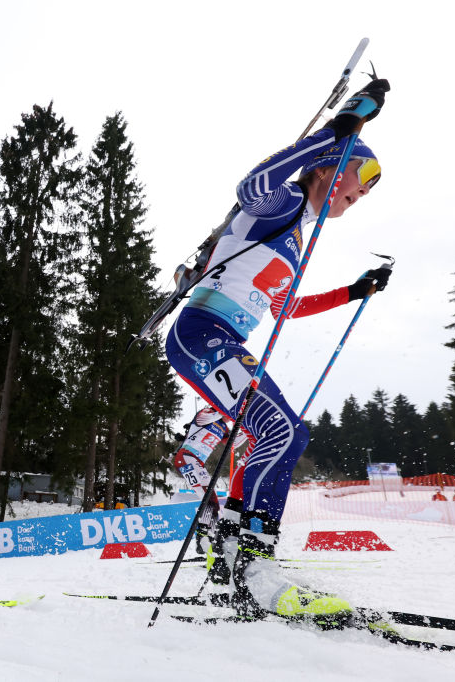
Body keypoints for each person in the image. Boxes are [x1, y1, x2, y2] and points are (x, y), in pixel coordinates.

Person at [164, 77, 391, 624]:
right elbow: (251, 183)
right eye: (351, 188)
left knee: (277, 434)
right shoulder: (283, 202)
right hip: (201, 332)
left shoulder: (299, 236)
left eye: (359, 199)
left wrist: (353, 292)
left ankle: (233, 560)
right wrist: (336, 133)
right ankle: (252, 565)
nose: (352, 202)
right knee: (282, 432)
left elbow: (287, 307)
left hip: (226, 341)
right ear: (327, 172)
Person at [172, 406, 248, 554]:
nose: (230, 418)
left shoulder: (223, 427)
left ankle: (209, 538)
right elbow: (205, 418)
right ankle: (203, 538)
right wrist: (225, 409)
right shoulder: (206, 413)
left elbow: (233, 443)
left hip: (197, 462)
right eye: (230, 415)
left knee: (212, 501)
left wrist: (247, 432)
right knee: (208, 498)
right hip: (186, 458)